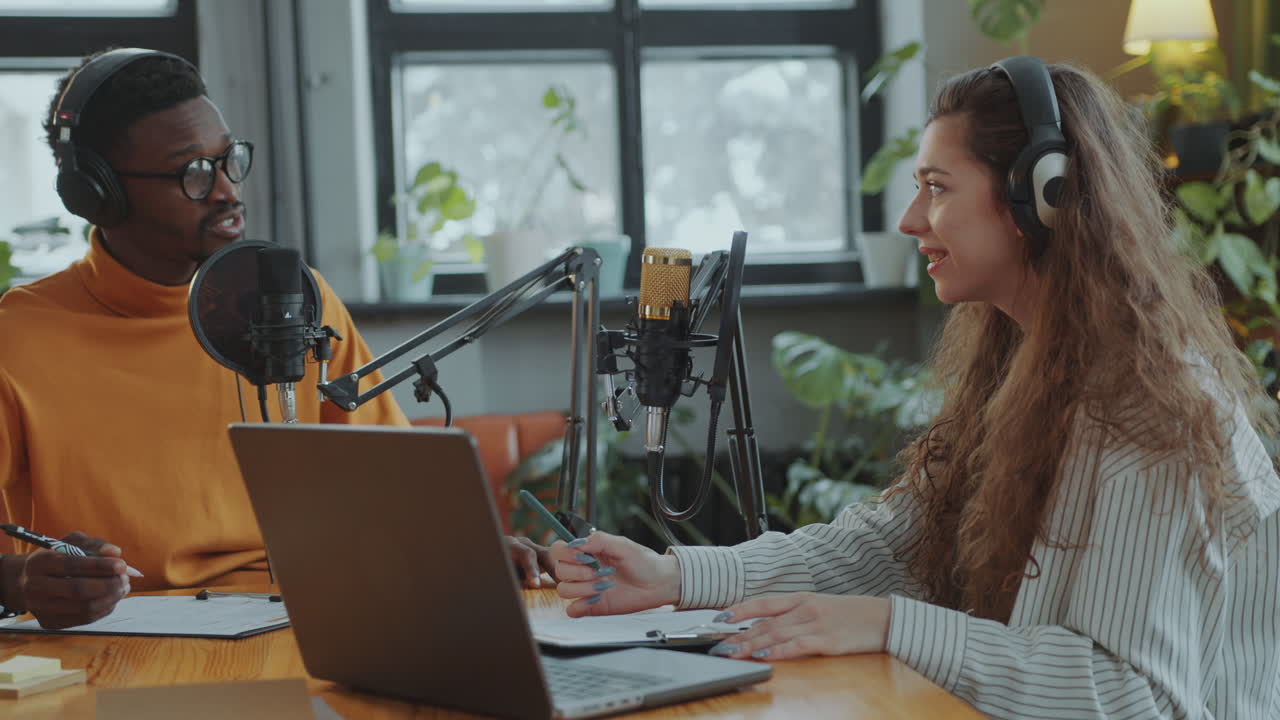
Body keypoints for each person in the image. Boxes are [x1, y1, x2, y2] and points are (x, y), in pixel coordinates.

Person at [549, 57, 1280, 719]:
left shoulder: (1148, 407)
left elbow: (1128, 694)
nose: (909, 220)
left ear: (1042, 197)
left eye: (936, 187)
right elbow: (893, 540)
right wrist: (675, 574)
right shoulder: (1025, 361)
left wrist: (889, 623)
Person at [0, 47, 552, 628]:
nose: (226, 192)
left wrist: (468, 548)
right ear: (98, 194)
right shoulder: (21, 336)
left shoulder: (296, 297)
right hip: (120, 636)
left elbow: (391, 485)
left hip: (309, 620)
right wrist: (18, 581)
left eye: (229, 158)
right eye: (193, 172)